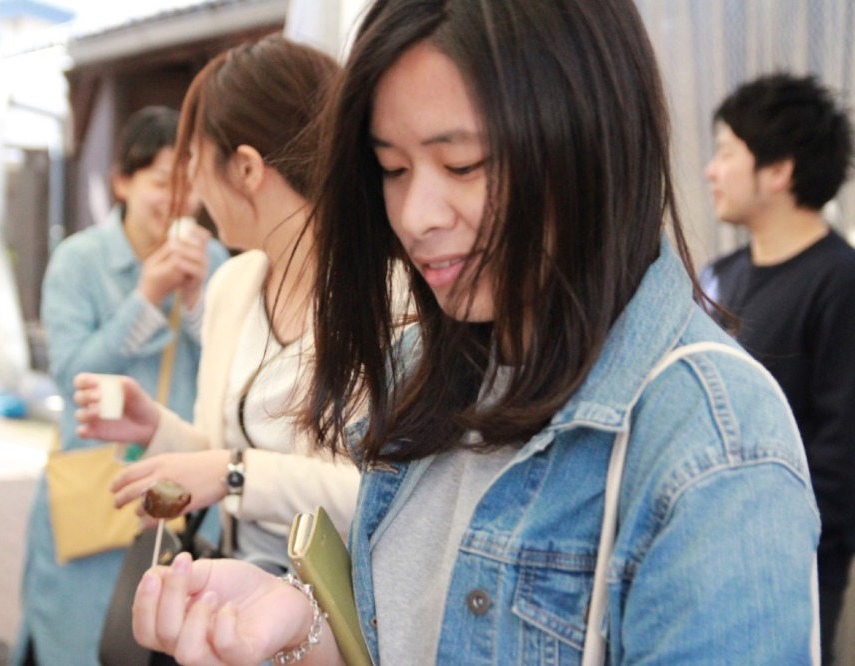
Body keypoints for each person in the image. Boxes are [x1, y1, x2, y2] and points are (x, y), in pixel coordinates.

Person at [129, 1, 823, 664]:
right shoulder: (416, 374)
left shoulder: (712, 447)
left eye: (462, 165)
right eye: (392, 169)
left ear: (586, 140)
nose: (416, 214)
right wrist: (299, 628)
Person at [74, 35, 360, 577]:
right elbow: (221, 454)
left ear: (248, 169)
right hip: (236, 597)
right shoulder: (233, 282)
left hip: (332, 624)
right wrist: (156, 427)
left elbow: (384, 499)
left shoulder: (385, 295)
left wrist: (234, 474)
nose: (195, 191)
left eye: (196, 164)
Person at [12, 106, 229, 666]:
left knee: (161, 639)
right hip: (94, 486)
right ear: (123, 182)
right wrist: (147, 295)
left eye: (188, 185)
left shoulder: (216, 262)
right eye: (161, 182)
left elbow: (231, 377)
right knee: (75, 640)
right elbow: (73, 373)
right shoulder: (79, 261)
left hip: (178, 489)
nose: (176, 200)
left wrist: (198, 299)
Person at [701, 72, 855, 664]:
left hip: (791, 560)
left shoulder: (839, 281)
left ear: (779, 171)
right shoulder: (721, 275)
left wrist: (793, 541)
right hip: (710, 543)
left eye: (725, 153)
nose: (711, 171)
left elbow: (843, 451)